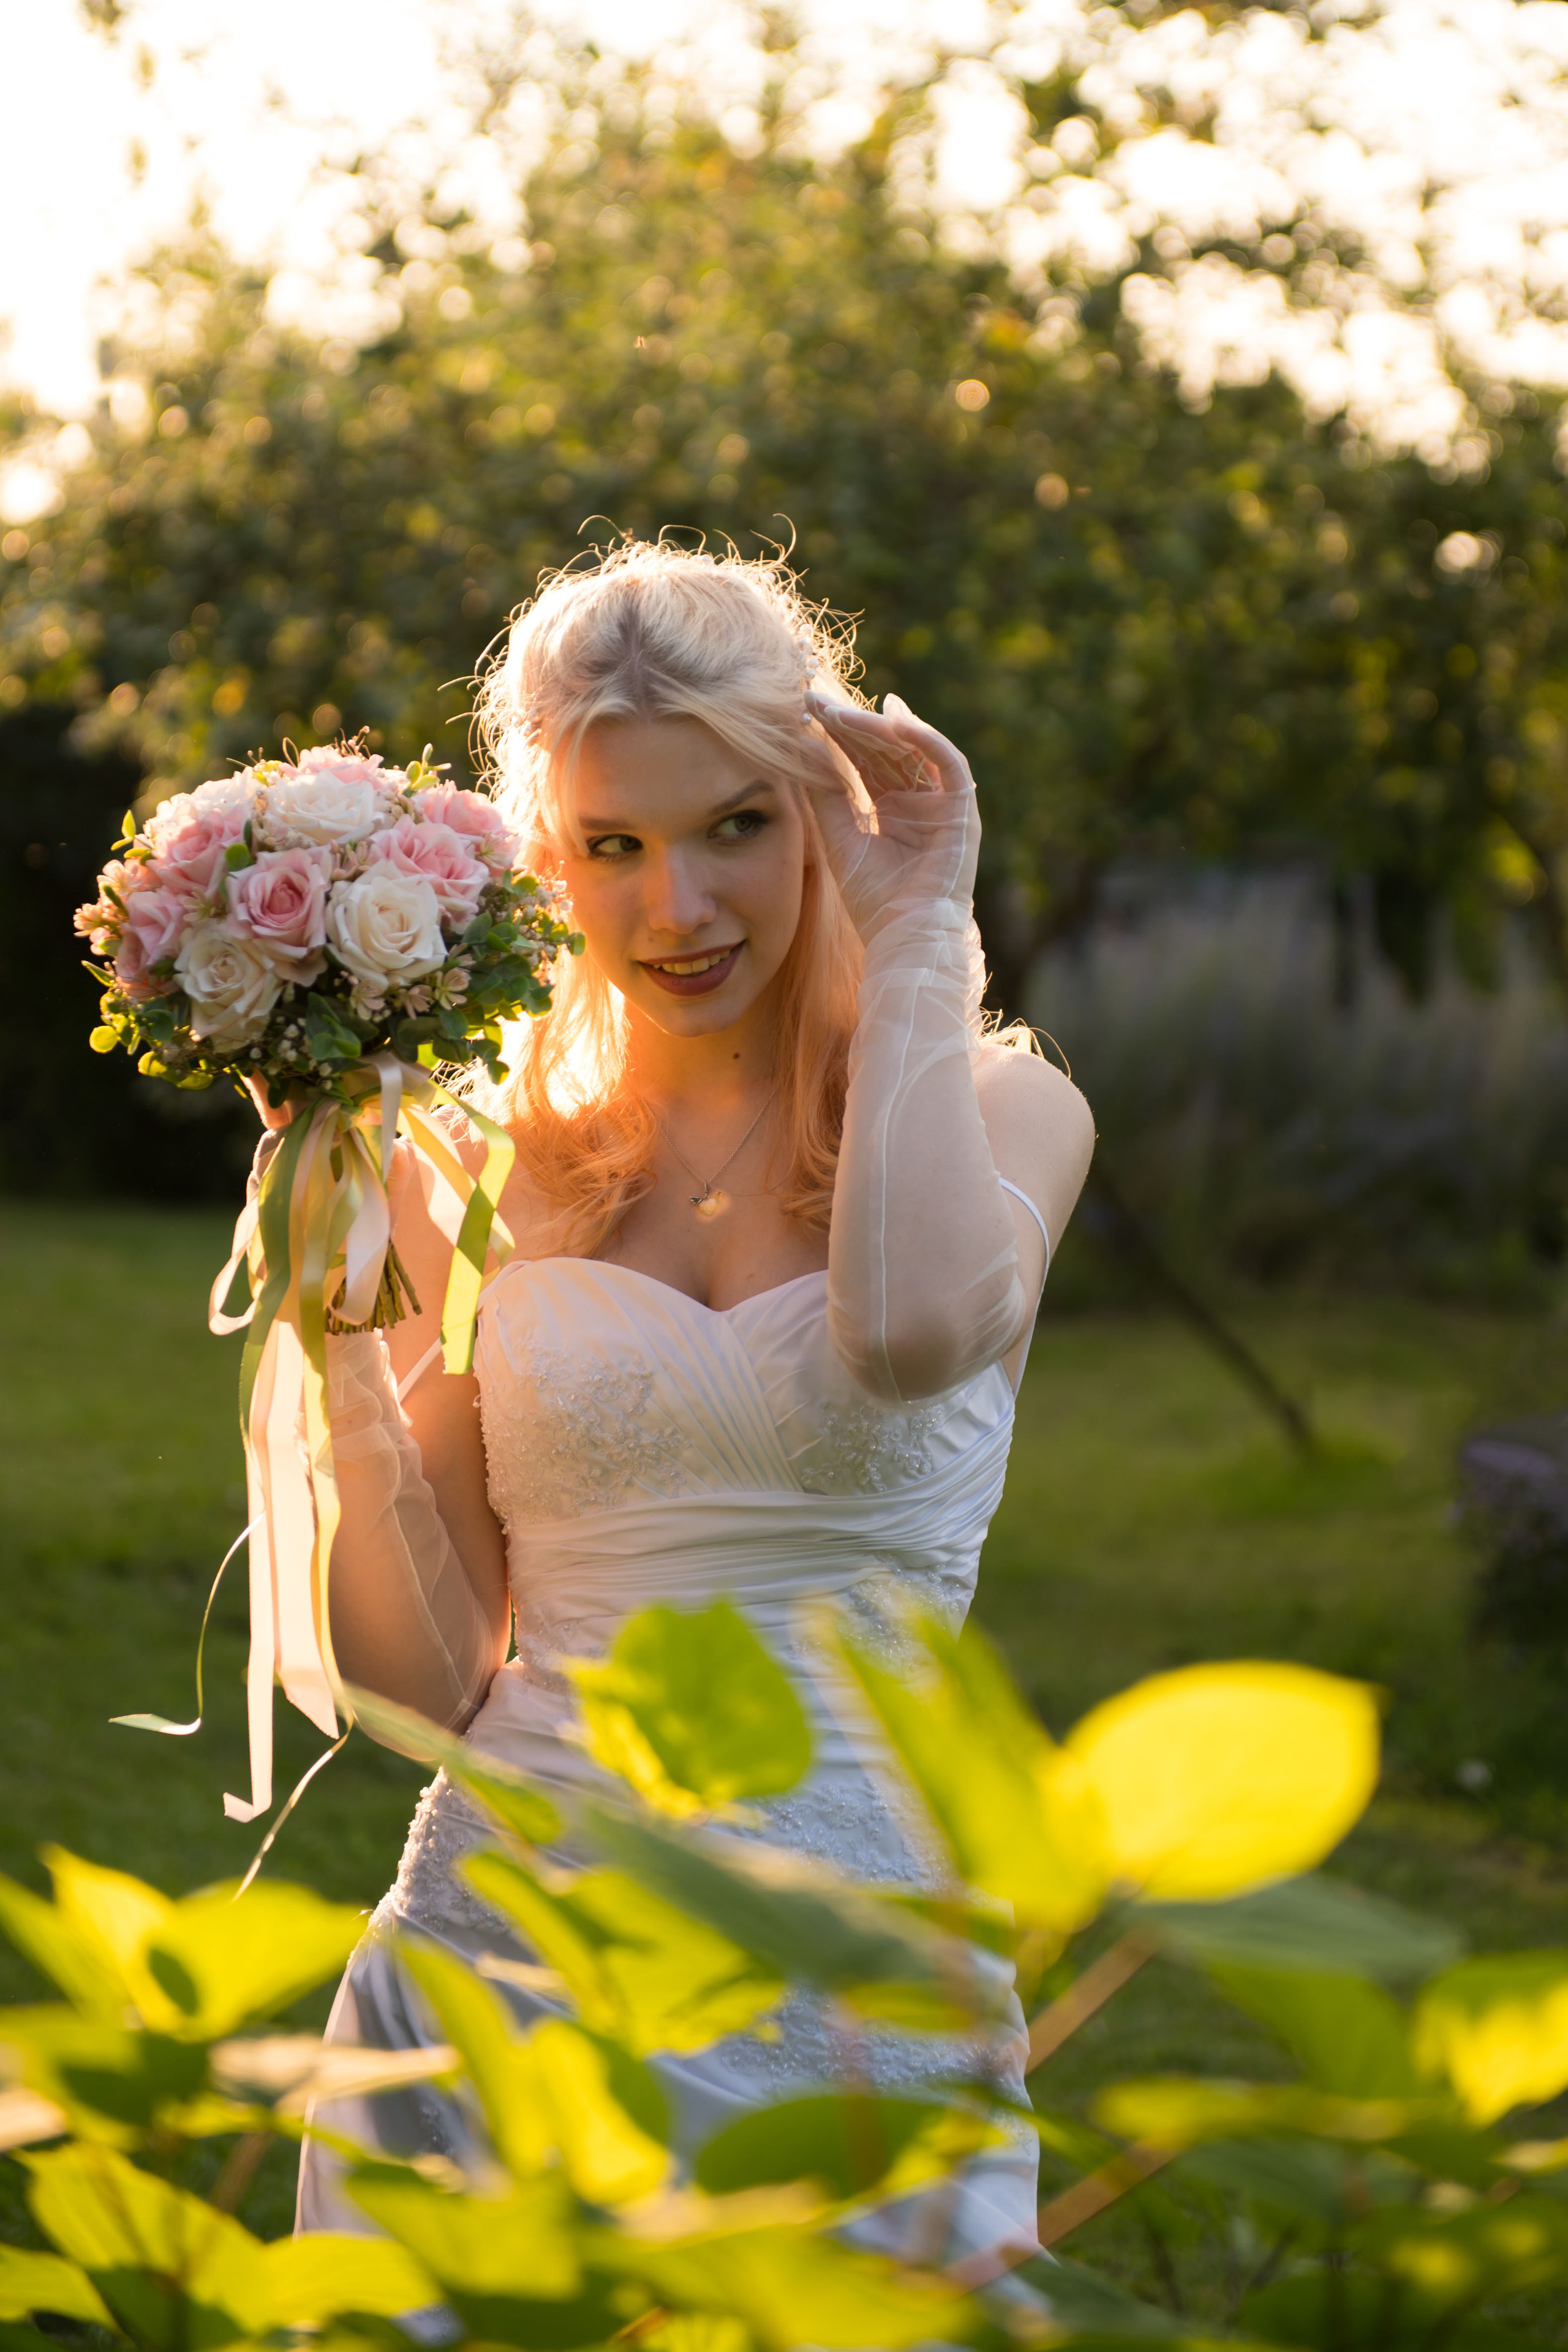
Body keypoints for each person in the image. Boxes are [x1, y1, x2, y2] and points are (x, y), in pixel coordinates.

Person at [279, 539, 1095, 2269]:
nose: (678, 909)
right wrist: (344, 1323)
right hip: (502, 1958)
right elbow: (414, 1687)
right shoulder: (479, 1166)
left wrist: (925, 926)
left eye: (735, 825)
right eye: (614, 847)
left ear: (824, 810)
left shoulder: (1003, 1117)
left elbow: (907, 1331)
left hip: (864, 1989)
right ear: (543, 861)